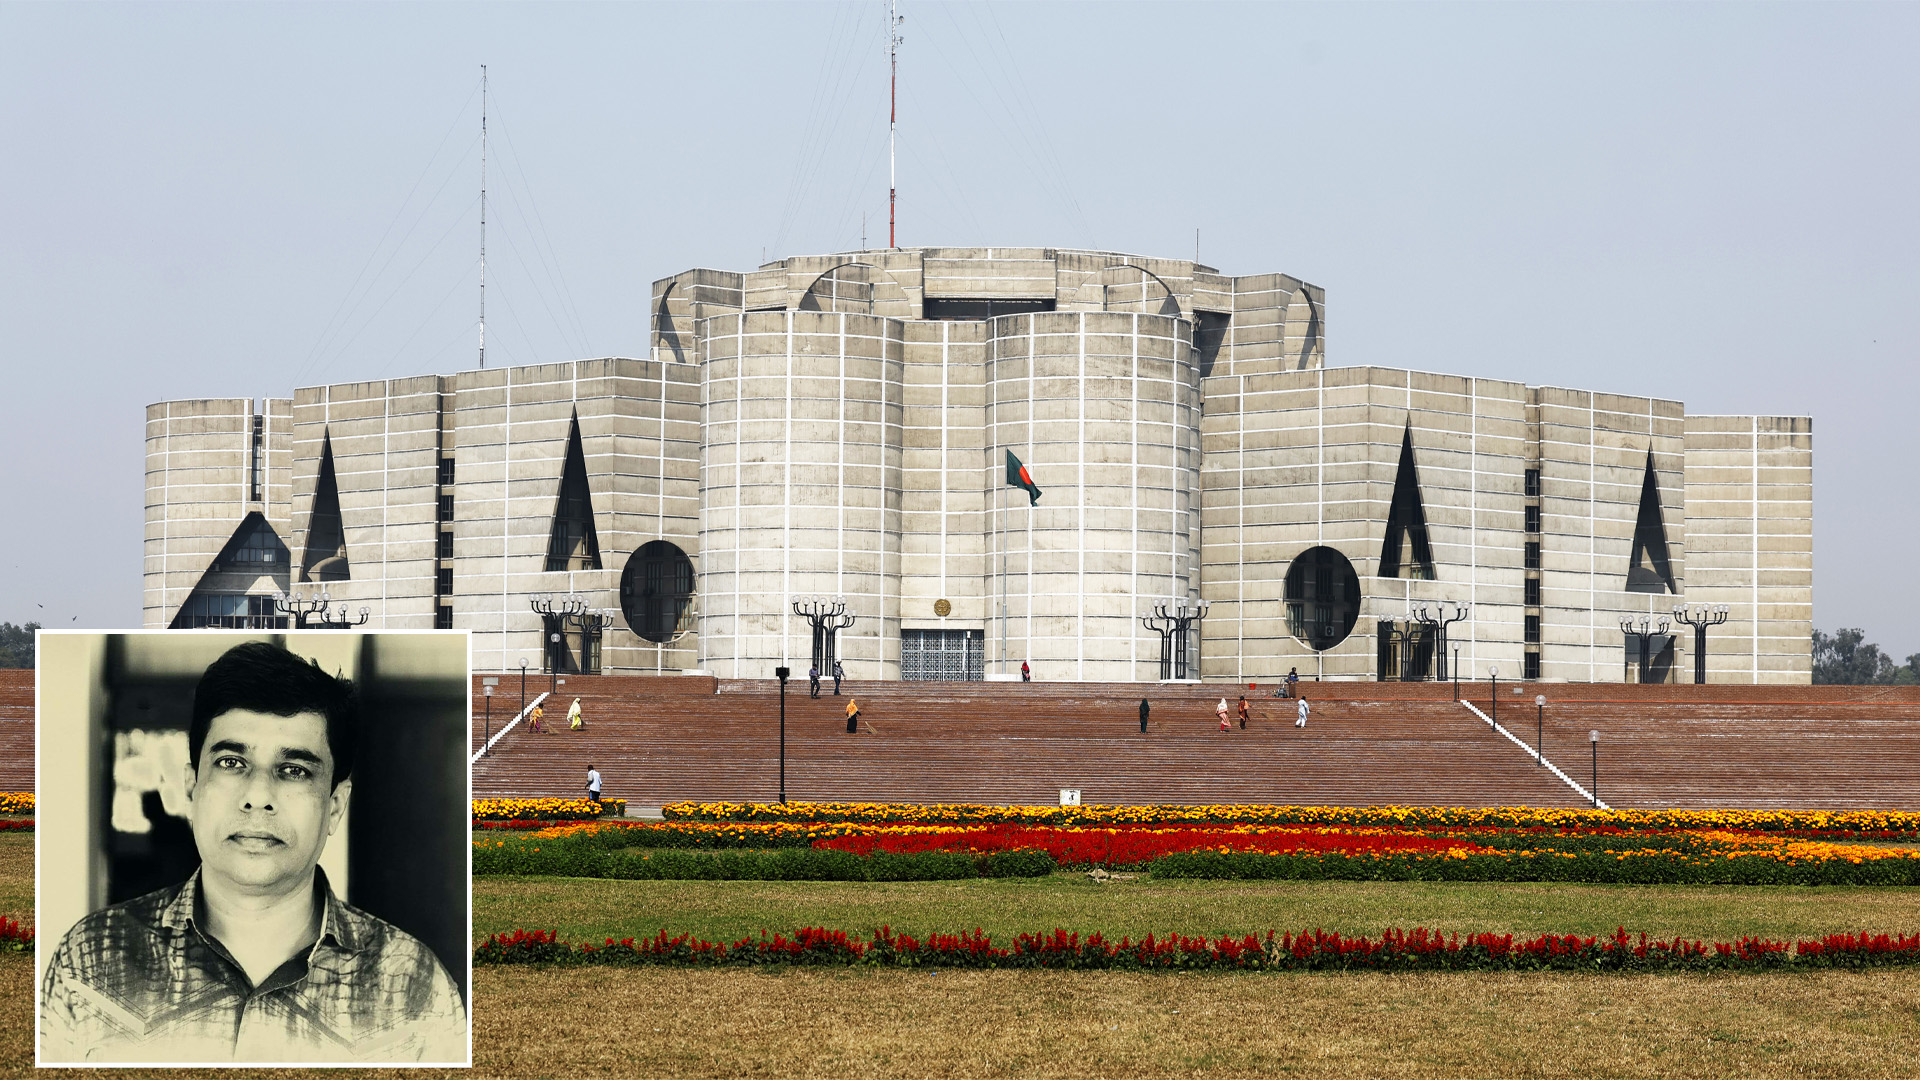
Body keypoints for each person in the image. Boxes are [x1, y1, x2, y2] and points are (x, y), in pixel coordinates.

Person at [39, 641, 465, 1065]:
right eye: (230, 762)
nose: (258, 795)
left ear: (334, 807)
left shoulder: (414, 986)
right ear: (191, 788)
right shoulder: (90, 959)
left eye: (294, 770)